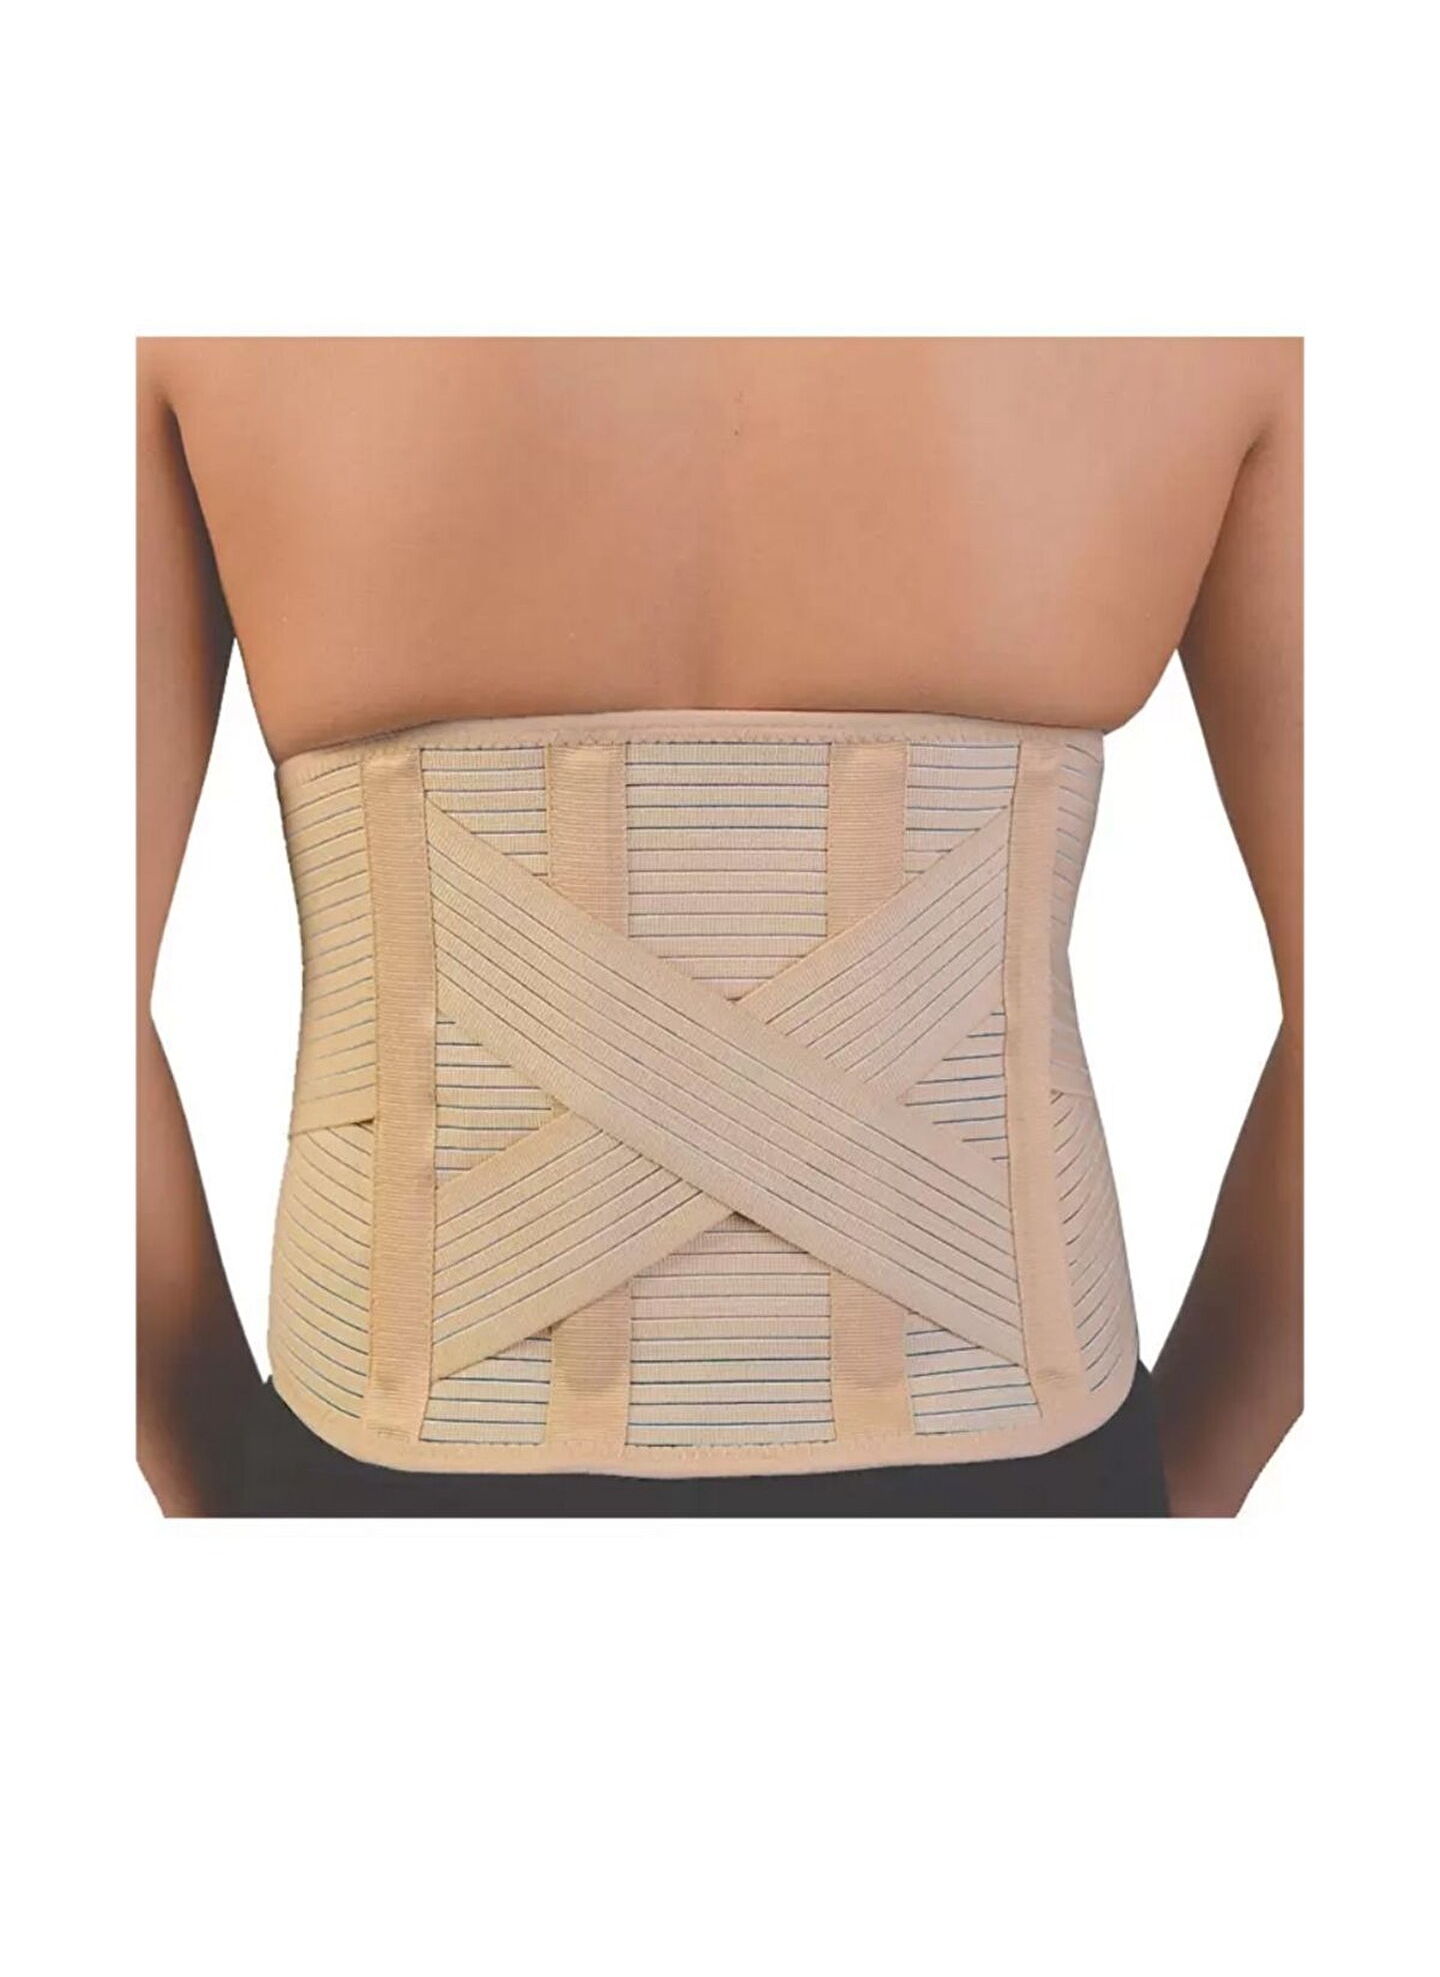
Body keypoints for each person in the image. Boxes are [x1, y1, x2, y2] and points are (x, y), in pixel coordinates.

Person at [136, 336, 1301, 1517]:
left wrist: (223, 1507)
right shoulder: (1226, 333)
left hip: (370, 1475)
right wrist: (1177, 1493)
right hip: (1035, 1476)